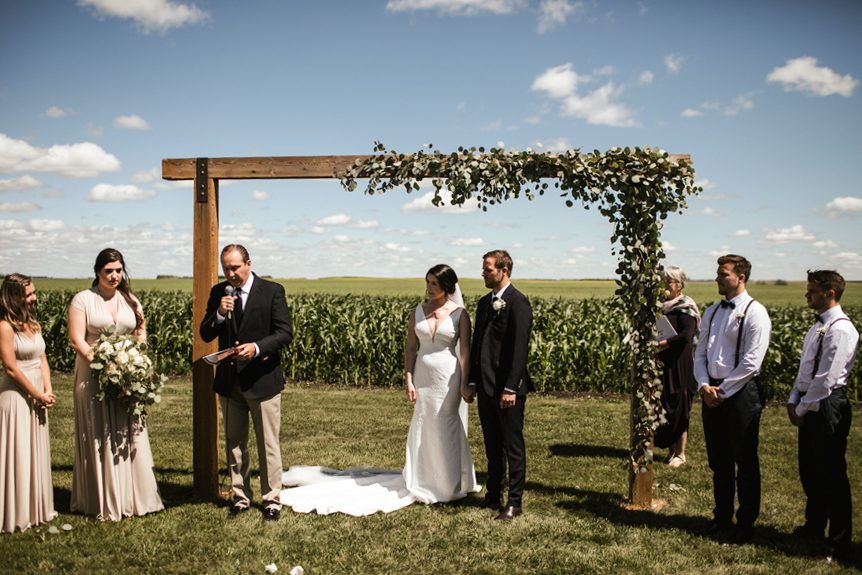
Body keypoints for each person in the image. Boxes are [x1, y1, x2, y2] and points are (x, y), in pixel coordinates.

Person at [278, 264, 479, 516]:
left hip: (448, 376)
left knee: (446, 423)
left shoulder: (460, 314)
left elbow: (464, 352)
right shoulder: (417, 311)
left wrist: (464, 383)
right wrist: (408, 379)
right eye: (427, 282)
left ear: (447, 287)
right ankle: (424, 478)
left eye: (434, 284)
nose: (428, 288)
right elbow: (409, 349)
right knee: (424, 423)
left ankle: (449, 483)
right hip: (423, 376)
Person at [68, 248, 164, 521]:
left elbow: (140, 331)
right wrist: (104, 364)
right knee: (98, 430)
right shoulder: (83, 300)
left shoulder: (130, 299)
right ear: (97, 271)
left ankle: (134, 497)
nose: (114, 276)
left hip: (127, 374)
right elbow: (77, 340)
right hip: (93, 373)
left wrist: (135, 361)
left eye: (119, 270)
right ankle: (102, 498)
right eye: (108, 271)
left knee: (129, 430)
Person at [200, 244, 293, 521]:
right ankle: (240, 496)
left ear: (248, 264)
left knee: (268, 444)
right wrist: (218, 313)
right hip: (230, 382)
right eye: (226, 268)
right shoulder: (220, 293)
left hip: (262, 380)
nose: (230, 274)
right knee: (235, 443)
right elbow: (206, 333)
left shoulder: (272, 291)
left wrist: (256, 347)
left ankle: (272, 500)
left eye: (235, 268)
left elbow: (284, 333)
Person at [694, 254, 771, 544]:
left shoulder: (755, 312)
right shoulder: (713, 311)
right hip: (711, 391)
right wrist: (704, 384)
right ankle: (722, 517)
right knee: (719, 460)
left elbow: (752, 361)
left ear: (741, 277)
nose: (717, 278)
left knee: (745, 461)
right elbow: (700, 353)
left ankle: (746, 523)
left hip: (741, 394)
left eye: (723, 274)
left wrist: (723, 391)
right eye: (718, 273)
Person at [787, 270, 858, 565]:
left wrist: (802, 409)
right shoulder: (817, 327)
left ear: (830, 293)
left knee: (832, 475)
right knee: (811, 470)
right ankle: (814, 526)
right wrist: (793, 399)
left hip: (828, 404)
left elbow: (826, 378)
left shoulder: (841, 330)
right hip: (808, 399)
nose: (807, 295)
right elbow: (806, 370)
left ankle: (838, 541)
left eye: (812, 291)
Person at [467, 249, 533, 521]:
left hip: (508, 389)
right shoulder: (485, 303)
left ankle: (514, 502)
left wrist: (510, 388)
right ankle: (494, 493)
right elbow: (478, 345)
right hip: (485, 386)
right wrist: (472, 381)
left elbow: (519, 350)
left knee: (512, 445)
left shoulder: (518, 303)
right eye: (484, 269)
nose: (483, 273)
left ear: (504, 270)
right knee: (492, 443)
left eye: (488, 269)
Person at [0, 273, 57, 533]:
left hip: (37, 393)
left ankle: (37, 508)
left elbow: (42, 359)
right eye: (28, 294)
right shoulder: (4, 326)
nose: (34, 298)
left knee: (35, 449)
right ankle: (16, 511)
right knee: (18, 450)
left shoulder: (32, 323)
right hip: (16, 395)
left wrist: (48, 388)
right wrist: (36, 393)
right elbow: (10, 368)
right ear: (14, 297)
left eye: (34, 292)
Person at [655, 265, 700, 468]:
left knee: (680, 405)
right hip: (666, 361)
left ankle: (681, 453)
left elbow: (686, 336)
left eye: (670, 281)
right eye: (664, 280)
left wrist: (663, 343)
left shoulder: (685, 306)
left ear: (680, 285)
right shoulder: (664, 305)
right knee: (666, 403)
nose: (666, 284)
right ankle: (672, 450)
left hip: (681, 362)